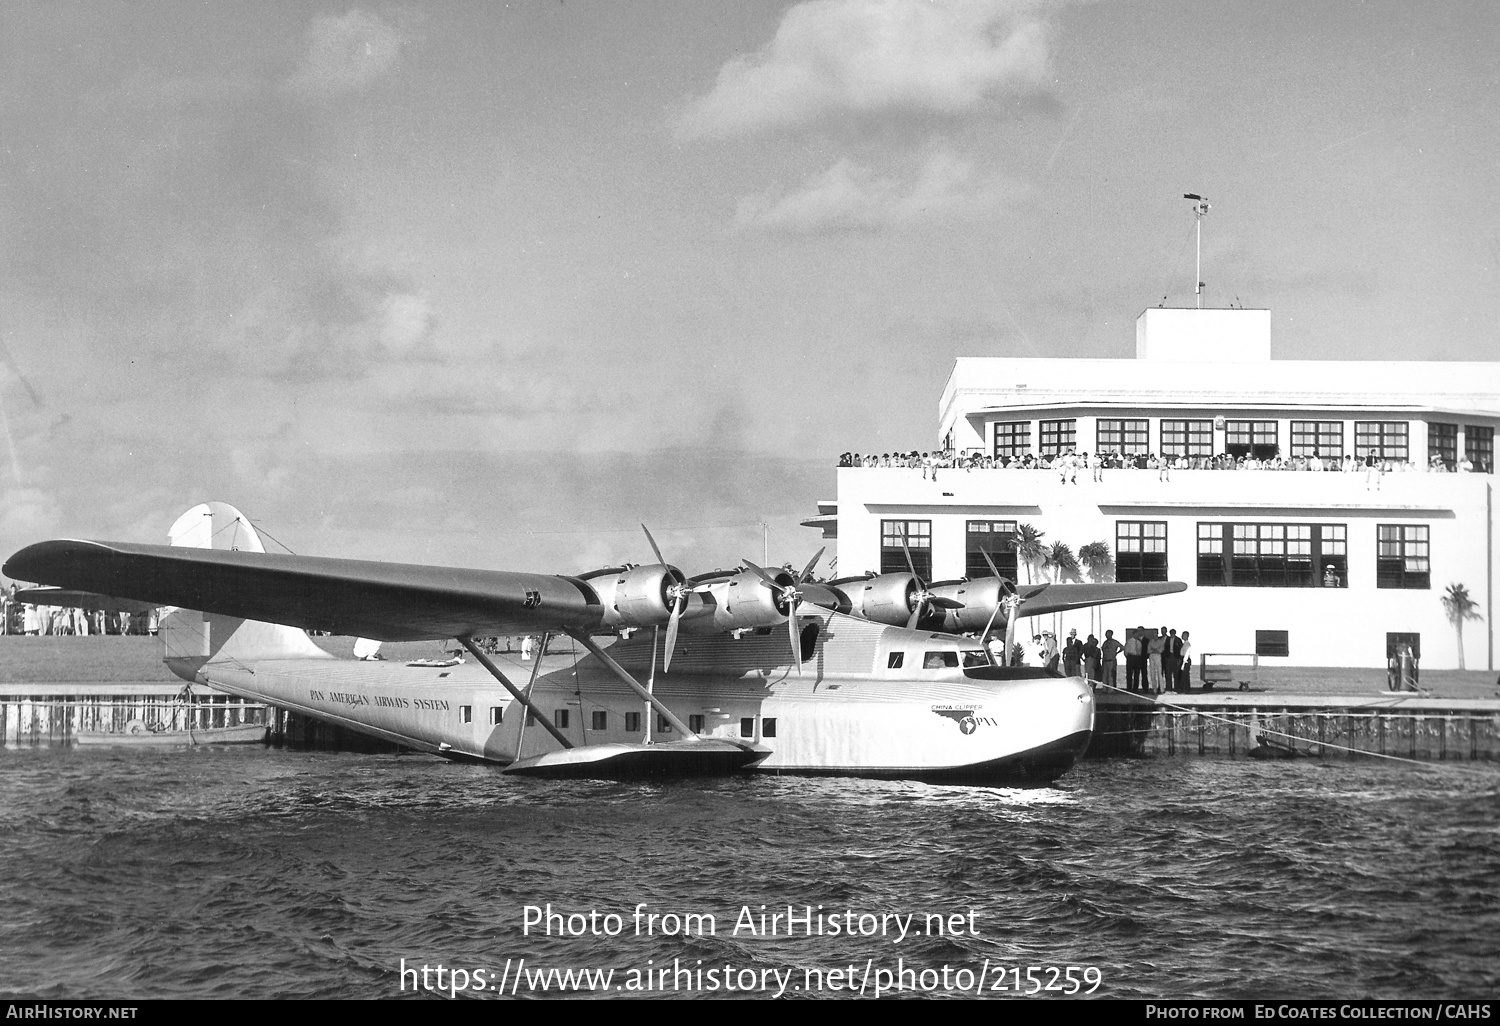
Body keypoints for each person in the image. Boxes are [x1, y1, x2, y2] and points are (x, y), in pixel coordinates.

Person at [1124, 627, 1145, 691]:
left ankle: (1135, 688)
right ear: (1133, 634)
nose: (1137, 635)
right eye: (1136, 634)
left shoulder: (1139, 642)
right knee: (1129, 673)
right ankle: (1129, 688)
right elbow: (1126, 650)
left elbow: (1140, 651)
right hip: (1131, 657)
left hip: (1137, 658)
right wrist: (1128, 656)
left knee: (1137, 673)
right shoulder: (1129, 641)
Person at [1147, 627, 1167, 694]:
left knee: (1159, 673)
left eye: (1155, 633)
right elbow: (1148, 650)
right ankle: (1154, 689)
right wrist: (1155, 649)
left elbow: (1161, 650)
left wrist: (1154, 649)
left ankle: (1161, 689)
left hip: (1158, 656)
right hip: (1152, 656)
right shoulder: (1150, 641)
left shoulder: (1160, 641)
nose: (1154, 634)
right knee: (1152, 673)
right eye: (1153, 633)